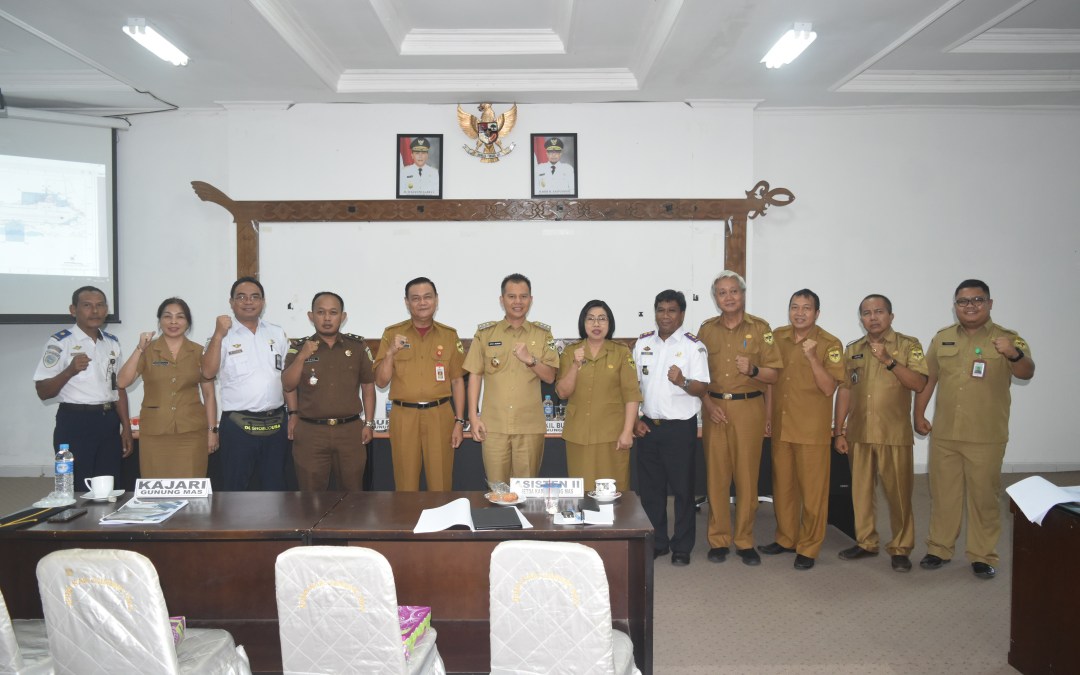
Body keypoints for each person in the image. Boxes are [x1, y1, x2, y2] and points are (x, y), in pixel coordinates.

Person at [914, 279, 1034, 579]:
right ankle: (939, 548)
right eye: (963, 301)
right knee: (944, 495)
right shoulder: (942, 338)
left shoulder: (1007, 338)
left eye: (977, 300)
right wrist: (917, 413)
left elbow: (1027, 371)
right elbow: (929, 379)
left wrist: (1013, 354)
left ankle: (982, 555)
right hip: (945, 434)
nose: (970, 306)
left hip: (986, 435)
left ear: (990, 304)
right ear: (955, 307)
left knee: (984, 497)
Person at [833, 294, 928, 572]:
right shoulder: (853, 349)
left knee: (899, 494)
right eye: (866, 313)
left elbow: (920, 383)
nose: (872, 317)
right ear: (860, 318)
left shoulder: (909, 346)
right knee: (860, 493)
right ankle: (866, 542)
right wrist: (839, 431)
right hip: (859, 433)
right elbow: (846, 390)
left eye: (879, 311)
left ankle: (901, 547)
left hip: (893, 434)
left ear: (891, 316)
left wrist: (889, 361)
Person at [697, 271, 782, 567]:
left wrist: (754, 370)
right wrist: (707, 404)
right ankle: (719, 539)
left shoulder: (761, 329)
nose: (729, 297)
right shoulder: (706, 331)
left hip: (749, 409)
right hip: (715, 409)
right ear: (715, 298)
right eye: (722, 292)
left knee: (747, 478)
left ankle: (745, 540)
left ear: (743, 295)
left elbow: (774, 374)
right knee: (716, 478)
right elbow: (698, 377)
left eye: (734, 291)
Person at [762, 289, 845, 571]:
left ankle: (809, 546)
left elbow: (829, 387)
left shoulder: (830, 343)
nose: (799, 313)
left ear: (817, 313)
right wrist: (767, 415)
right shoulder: (778, 336)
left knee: (813, 494)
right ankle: (786, 538)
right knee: (783, 489)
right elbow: (772, 380)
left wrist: (813, 358)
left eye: (806, 308)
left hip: (811, 430)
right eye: (794, 307)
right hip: (782, 426)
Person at [632, 290, 709, 566]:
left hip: (680, 429)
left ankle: (682, 546)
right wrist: (635, 420)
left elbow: (702, 388)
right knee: (651, 491)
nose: (665, 316)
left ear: (682, 314)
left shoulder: (693, 347)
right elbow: (634, 388)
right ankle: (658, 542)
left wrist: (683, 382)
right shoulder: (641, 344)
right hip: (648, 427)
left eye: (672, 310)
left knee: (683, 491)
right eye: (661, 310)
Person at [34, 286, 134, 489]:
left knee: (109, 485)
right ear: (73, 310)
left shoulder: (112, 343)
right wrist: (69, 371)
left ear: (106, 310)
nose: (94, 311)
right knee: (77, 488)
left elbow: (119, 388)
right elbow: (43, 391)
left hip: (108, 422)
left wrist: (126, 427)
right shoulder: (60, 343)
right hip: (75, 422)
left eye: (100, 306)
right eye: (87, 306)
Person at [464, 273, 559, 485]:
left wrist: (530, 359)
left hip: (529, 427)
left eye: (523, 296)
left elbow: (551, 377)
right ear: (502, 300)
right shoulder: (485, 333)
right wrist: (473, 416)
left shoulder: (543, 334)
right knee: (497, 491)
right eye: (512, 296)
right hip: (493, 427)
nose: (518, 302)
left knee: (526, 493)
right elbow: (475, 375)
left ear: (531, 300)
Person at [374, 277, 466, 491]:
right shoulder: (392, 334)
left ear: (436, 300)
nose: (422, 303)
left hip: (440, 414)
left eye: (427, 297)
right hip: (404, 416)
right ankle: (408, 523)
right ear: (407, 303)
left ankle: (442, 524)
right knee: (405, 484)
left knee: (441, 483)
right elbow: (380, 381)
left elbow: (457, 381)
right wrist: (390, 354)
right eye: (415, 298)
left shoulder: (449, 335)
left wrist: (460, 421)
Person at [200, 277, 290, 491]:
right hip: (238, 426)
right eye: (241, 297)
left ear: (263, 302)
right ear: (231, 302)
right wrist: (218, 335)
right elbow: (207, 372)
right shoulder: (222, 336)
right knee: (236, 490)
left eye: (254, 297)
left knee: (275, 488)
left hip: (276, 422)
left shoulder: (276, 333)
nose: (248, 302)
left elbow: (287, 376)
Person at [282, 292, 376, 491]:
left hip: (350, 432)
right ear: (310, 316)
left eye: (333, 313)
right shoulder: (299, 347)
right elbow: (288, 385)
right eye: (321, 312)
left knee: (352, 498)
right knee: (311, 499)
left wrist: (368, 423)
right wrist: (302, 357)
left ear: (343, 317)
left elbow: (368, 386)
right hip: (311, 432)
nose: (327, 318)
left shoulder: (357, 347)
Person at [116, 297, 218, 479]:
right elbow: (122, 382)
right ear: (159, 321)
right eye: (167, 316)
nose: (173, 322)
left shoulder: (199, 351)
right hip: (155, 433)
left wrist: (212, 432)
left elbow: (209, 394)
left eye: (180, 317)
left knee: (191, 492)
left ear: (188, 323)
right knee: (156, 491)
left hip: (192, 433)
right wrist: (139, 348)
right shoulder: (147, 350)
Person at [556, 300, 642, 494]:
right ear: (583, 323)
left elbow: (631, 394)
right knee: (583, 493)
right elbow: (562, 392)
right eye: (591, 319)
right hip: (579, 435)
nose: (596, 324)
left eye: (602, 319)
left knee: (614, 493)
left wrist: (628, 431)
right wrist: (575, 366)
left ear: (609, 323)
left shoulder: (621, 352)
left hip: (612, 436)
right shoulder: (570, 352)